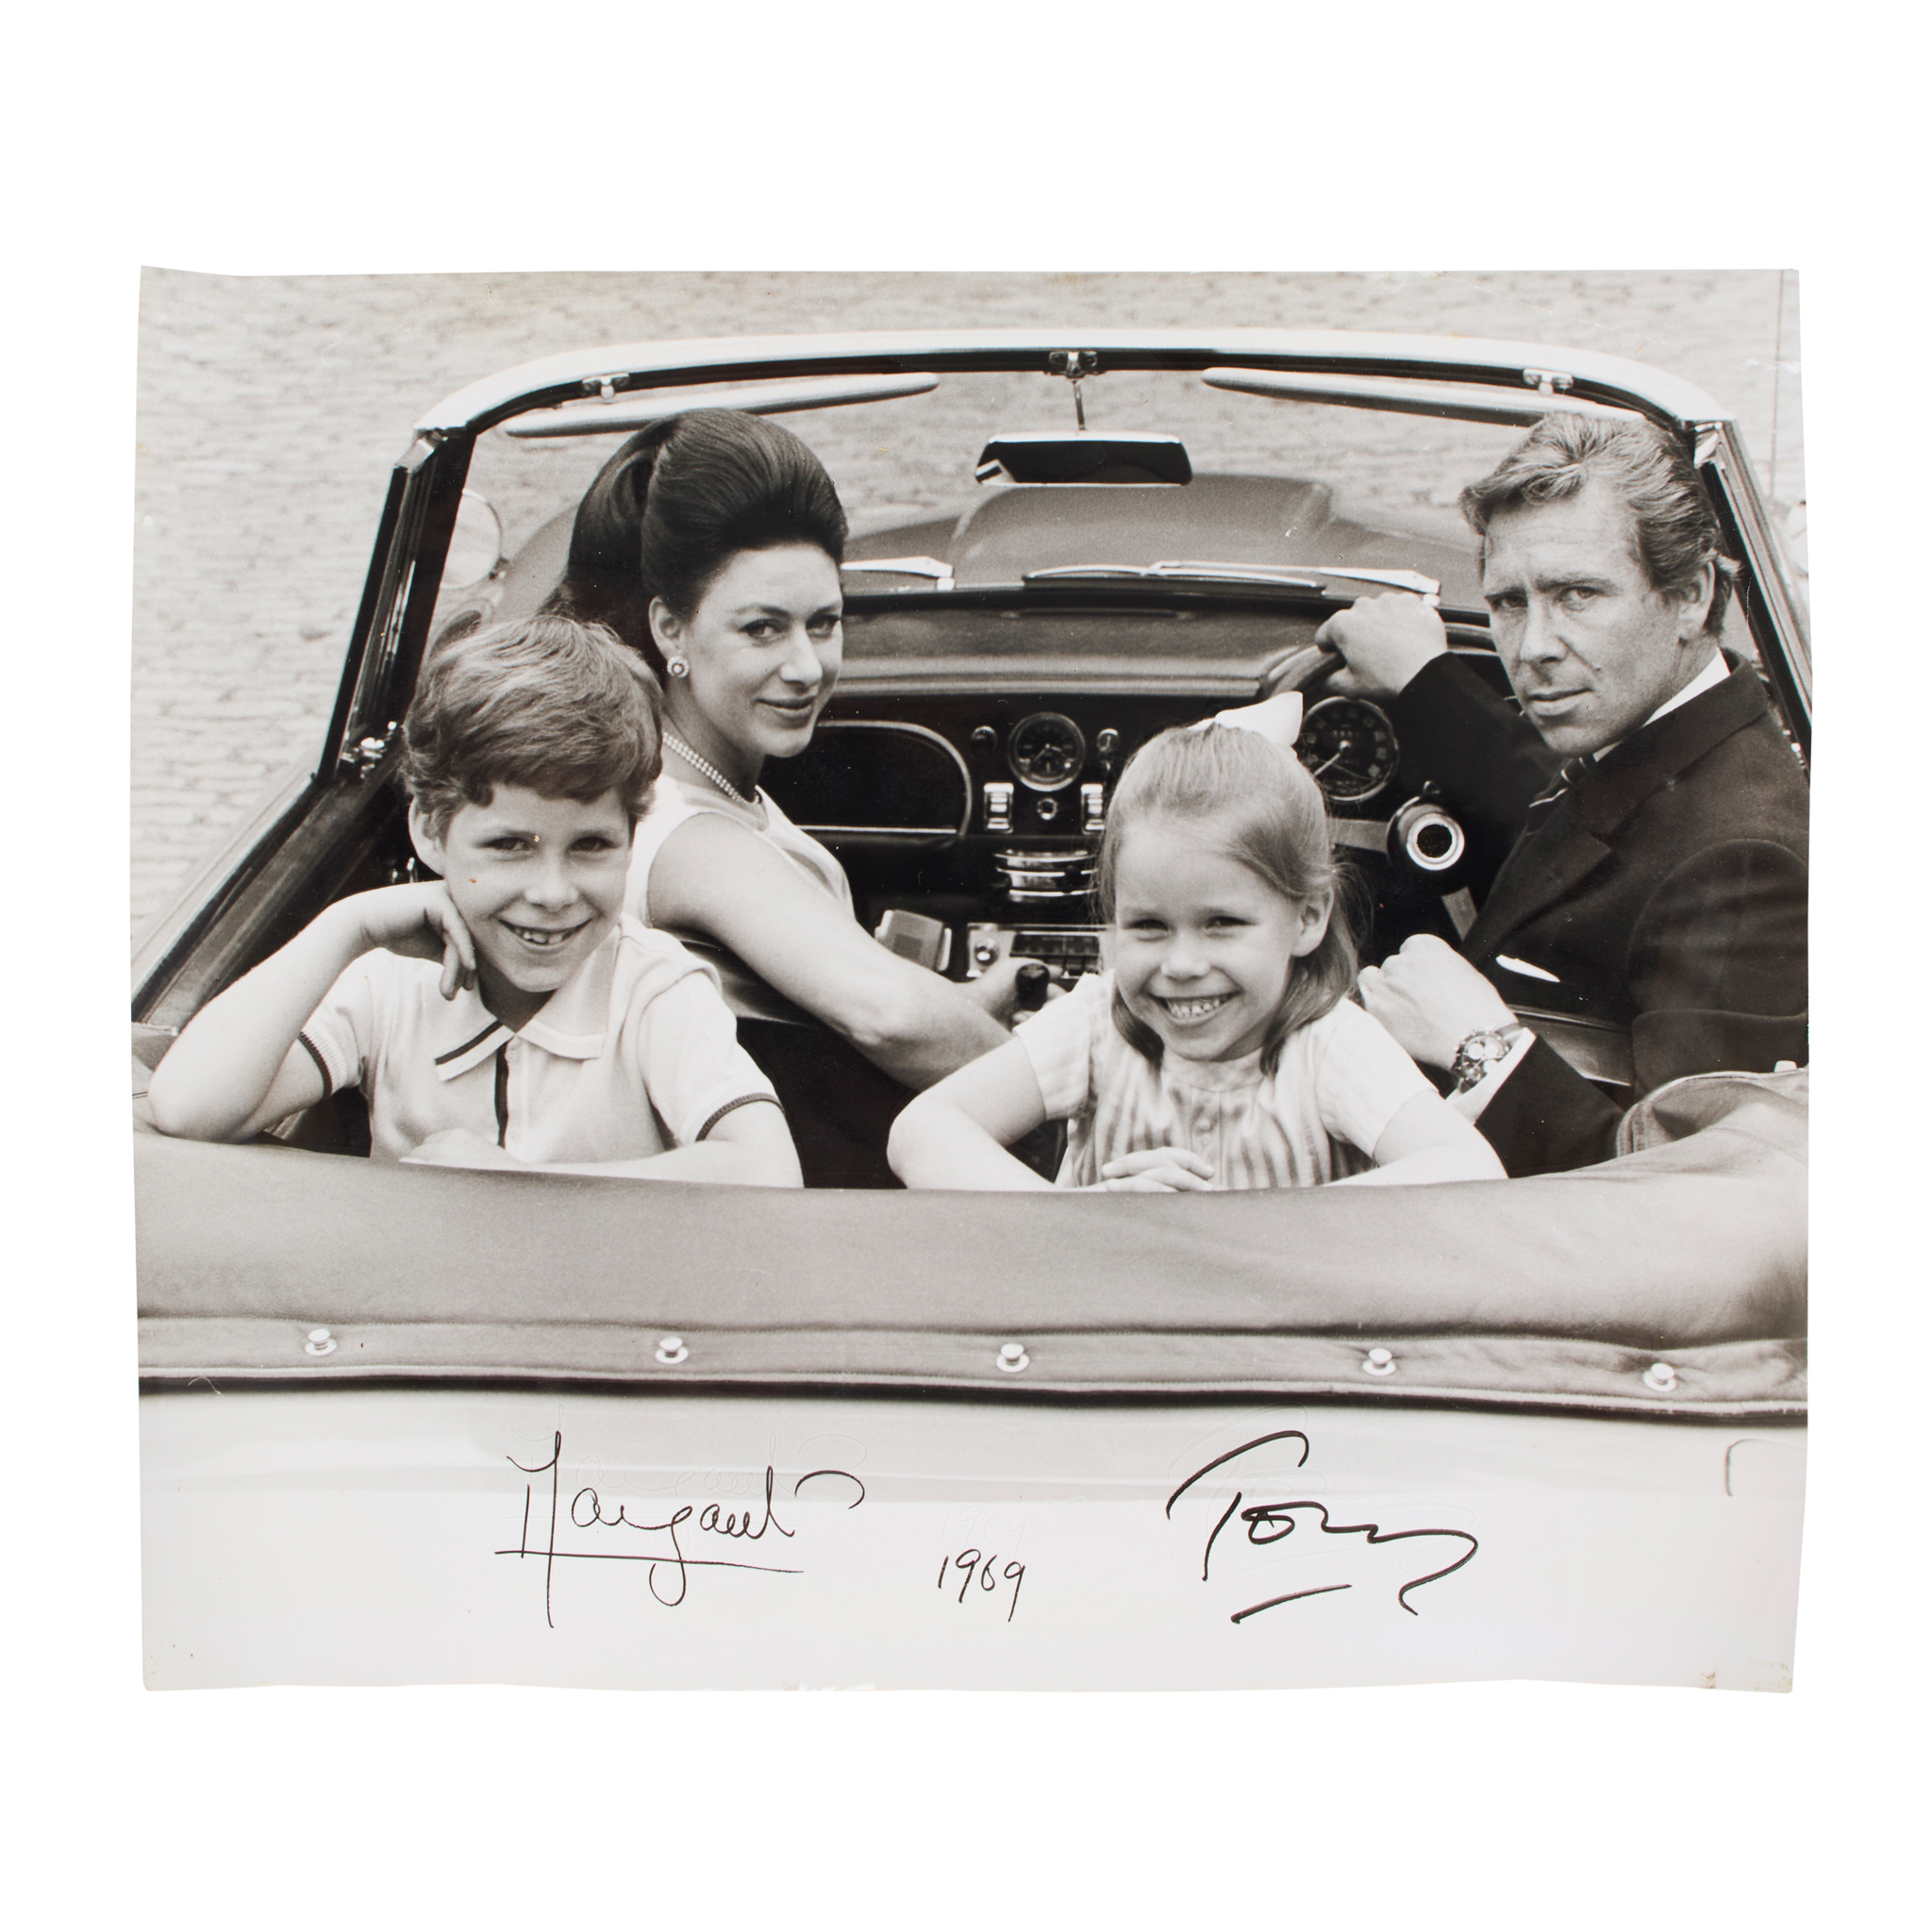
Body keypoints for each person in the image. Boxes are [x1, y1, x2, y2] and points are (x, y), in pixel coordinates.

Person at [1312, 412, 1808, 1176]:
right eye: (1510, 602)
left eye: (1577, 594)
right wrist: (1428, 686)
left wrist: (1483, 1047)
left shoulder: (1742, 858)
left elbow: (1694, 1191)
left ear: (1691, 595)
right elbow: (1586, 821)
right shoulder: (1662, 744)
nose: (1533, 647)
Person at [147, 616, 802, 1187]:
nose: (552, 893)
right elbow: (186, 1109)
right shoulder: (388, 982)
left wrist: (519, 1187)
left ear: (633, 836)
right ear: (432, 831)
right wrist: (348, 924)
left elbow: (767, 1171)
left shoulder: (653, 986)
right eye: (510, 845)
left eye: (591, 846)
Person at [547, 409, 1013, 1186]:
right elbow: (887, 1016)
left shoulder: (696, 778)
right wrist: (1068, 1078)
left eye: (824, 623)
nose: (806, 667)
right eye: (763, 630)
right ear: (670, 628)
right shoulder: (684, 834)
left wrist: (972, 1005)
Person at [888, 726, 1506, 1192]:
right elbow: (922, 1130)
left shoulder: (1331, 1046)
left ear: (1308, 917)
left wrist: (1243, 1229)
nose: (1181, 964)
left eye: (1223, 924)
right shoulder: (1096, 1025)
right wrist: (1074, 1213)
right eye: (1149, 926)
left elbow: (1470, 1171)